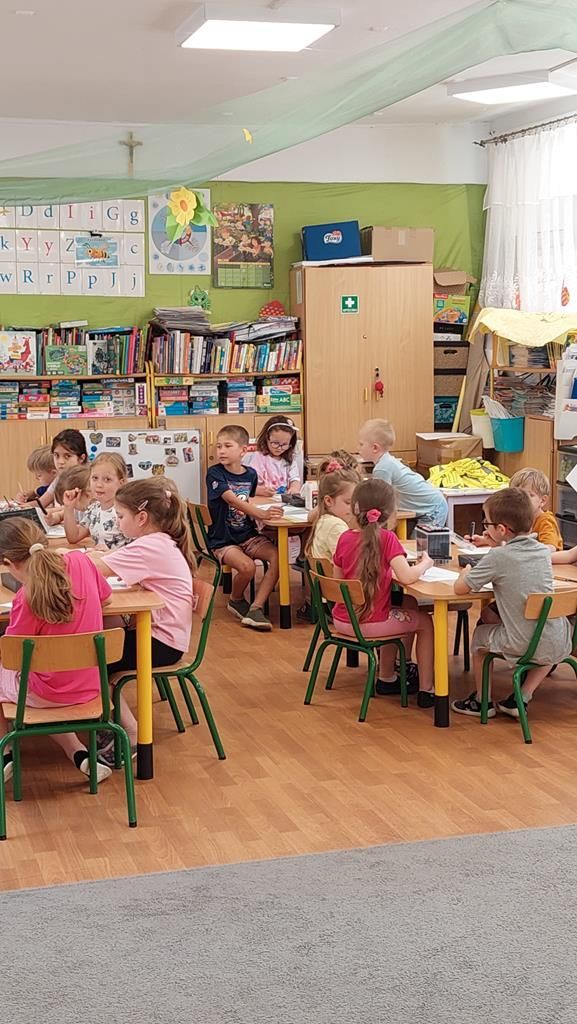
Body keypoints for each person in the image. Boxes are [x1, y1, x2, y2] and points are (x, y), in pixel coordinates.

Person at [87, 477, 196, 767]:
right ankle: (107, 720)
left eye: (121, 516)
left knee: (90, 660)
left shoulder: (150, 546)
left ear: (142, 518)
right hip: (165, 636)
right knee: (103, 636)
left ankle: (132, 734)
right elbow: (109, 561)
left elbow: (97, 567)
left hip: (161, 643)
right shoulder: (156, 542)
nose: (118, 521)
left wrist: (66, 558)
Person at [0, 518, 114, 784]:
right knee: (41, 682)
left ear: (8, 563)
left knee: (18, 680)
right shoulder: (81, 562)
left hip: (47, 693)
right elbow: (106, 598)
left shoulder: (26, 597)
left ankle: (5, 752)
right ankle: (79, 753)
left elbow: (13, 657)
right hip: (92, 686)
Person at [452, 488, 572, 719]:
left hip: (522, 643)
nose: (485, 527)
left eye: (487, 523)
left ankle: (482, 701)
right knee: (544, 639)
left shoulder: (498, 557)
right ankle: (521, 697)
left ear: (501, 529)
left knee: (479, 638)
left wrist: (466, 571)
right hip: (558, 641)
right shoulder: (542, 552)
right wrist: (497, 544)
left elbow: (460, 588)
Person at [331, 478, 436, 708]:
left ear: (355, 507)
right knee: (426, 623)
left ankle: (388, 676)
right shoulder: (387, 539)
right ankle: (427, 689)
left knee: (407, 603)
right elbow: (407, 577)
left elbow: (338, 580)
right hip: (371, 624)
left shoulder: (344, 538)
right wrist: (425, 564)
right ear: (390, 512)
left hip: (342, 620)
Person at [206, 424, 281, 631]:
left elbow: (250, 494)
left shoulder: (251, 474)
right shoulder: (214, 473)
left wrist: (266, 493)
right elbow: (232, 499)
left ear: (243, 450)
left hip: (247, 535)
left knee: (278, 556)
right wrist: (261, 514)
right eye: (219, 446)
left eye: (227, 446)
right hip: (223, 539)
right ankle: (236, 600)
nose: (221, 451)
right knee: (248, 567)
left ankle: (256, 607)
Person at [358, 419, 448, 527]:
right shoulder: (386, 462)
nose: (358, 448)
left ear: (375, 448)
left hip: (432, 509)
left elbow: (382, 502)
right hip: (432, 506)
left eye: (361, 444)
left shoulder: (382, 469)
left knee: (422, 538)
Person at [467, 468, 562, 553]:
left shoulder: (545, 521)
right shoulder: (516, 517)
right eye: (517, 497)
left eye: (529, 495)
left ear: (543, 500)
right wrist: (485, 540)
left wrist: (525, 553)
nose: (522, 501)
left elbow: (550, 548)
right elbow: (511, 539)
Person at [62, 453, 128, 550]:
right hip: (98, 557)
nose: (99, 485)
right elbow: (73, 537)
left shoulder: (126, 512)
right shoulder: (93, 509)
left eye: (107, 479)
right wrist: (68, 507)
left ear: (121, 483)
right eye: (95, 478)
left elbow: (136, 547)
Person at [305, 464, 358, 562]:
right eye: (348, 503)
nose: (353, 508)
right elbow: (349, 562)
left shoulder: (324, 519)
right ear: (328, 501)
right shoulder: (336, 526)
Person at [39, 429, 89, 520]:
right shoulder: (59, 478)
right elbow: (41, 503)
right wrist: (21, 507)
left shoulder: (87, 480)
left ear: (81, 458)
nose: (60, 462)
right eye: (56, 455)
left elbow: (75, 508)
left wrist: (53, 513)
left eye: (67, 456)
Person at [250, 415, 301, 497]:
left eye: (284, 444)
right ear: (266, 438)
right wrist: (261, 491)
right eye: (275, 443)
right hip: (263, 499)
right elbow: (249, 486)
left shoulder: (289, 458)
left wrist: (294, 488)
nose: (279, 448)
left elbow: (295, 479)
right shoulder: (259, 458)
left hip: (283, 500)